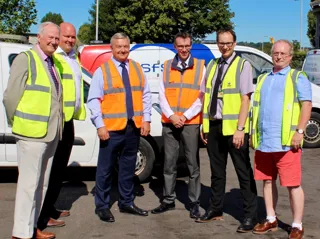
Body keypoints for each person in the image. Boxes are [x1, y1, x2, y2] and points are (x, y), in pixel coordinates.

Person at [3, 22, 63, 239]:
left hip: (50, 133)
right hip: (31, 134)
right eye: (50, 37)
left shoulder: (52, 63)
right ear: (39, 37)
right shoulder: (26, 59)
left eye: (57, 38)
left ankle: (33, 227)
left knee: (41, 185)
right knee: (29, 185)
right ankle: (21, 233)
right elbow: (10, 96)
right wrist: (16, 120)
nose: (54, 42)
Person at [196, 29, 258, 233]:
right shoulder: (212, 65)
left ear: (234, 43)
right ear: (217, 43)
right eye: (221, 43)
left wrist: (241, 129)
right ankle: (215, 208)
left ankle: (250, 215)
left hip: (234, 129)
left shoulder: (243, 65)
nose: (225, 46)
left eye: (228, 43)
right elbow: (205, 97)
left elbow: (245, 99)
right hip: (214, 125)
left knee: (243, 172)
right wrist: (204, 126)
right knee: (216, 172)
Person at [87, 32, 152, 222]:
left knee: (127, 168)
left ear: (129, 47)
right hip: (111, 129)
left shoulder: (137, 69)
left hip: (132, 127)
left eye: (125, 46)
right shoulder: (103, 70)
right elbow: (93, 100)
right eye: (119, 47)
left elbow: (145, 95)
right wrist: (100, 125)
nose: (123, 50)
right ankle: (102, 206)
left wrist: (146, 120)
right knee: (105, 169)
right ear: (112, 48)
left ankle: (126, 202)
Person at [251, 40, 312, 239]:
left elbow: (306, 105)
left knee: (293, 184)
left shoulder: (297, 77)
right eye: (275, 52)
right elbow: (256, 108)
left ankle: (297, 224)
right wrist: (253, 133)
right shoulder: (263, 78)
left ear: (290, 56)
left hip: (287, 142)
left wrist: (300, 131)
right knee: (267, 181)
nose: (278, 56)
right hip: (264, 141)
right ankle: (270, 219)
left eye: (283, 53)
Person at [37, 22, 87, 230]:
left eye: (73, 37)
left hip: (68, 120)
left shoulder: (73, 57)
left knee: (59, 169)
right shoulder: (53, 57)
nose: (69, 40)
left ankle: (51, 208)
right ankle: (43, 214)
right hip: (56, 121)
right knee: (52, 170)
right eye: (66, 36)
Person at [151, 32, 205, 218]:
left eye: (187, 45)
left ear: (191, 46)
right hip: (170, 122)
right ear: (175, 47)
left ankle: (194, 202)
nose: (184, 49)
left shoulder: (200, 67)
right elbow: (162, 94)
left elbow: (201, 97)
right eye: (180, 46)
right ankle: (168, 200)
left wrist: (185, 116)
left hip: (190, 123)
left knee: (193, 165)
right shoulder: (166, 66)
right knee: (169, 163)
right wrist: (173, 116)